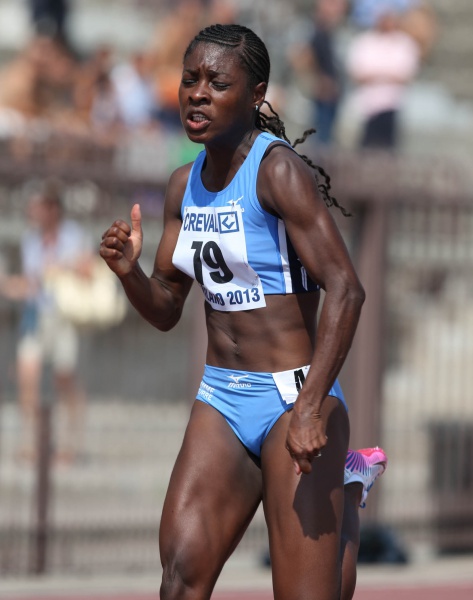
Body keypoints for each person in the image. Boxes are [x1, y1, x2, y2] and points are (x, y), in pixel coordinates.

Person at [100, 24, 386, 600]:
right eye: (189, 80)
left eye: (217, 82)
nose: (197, 94)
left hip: (292, 397)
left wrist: (310, 408)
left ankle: (349, 490)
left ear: (256, 94)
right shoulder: (183, 186)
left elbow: (346, 289)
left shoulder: (276, 171)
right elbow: (166, 306)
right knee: (180, 578)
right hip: (223, 398)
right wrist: (130, 272)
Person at [1, 181, 92, 464]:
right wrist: (11, 287)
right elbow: (33, 283)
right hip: (36, 316)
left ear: (52, 209)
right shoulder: (30, 240)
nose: (33, 212)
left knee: (64, 378)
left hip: (65, 317)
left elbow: (88, 269)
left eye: (38, 207)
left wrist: (60, 268)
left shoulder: (75, 236)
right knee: (27, 377)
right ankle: (31, 443)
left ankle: (69, 444)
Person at [345, 8, 420, 150]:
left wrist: (377, 75)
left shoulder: (404, 43)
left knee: (388, 149)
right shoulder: (364, 42)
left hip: (393, 104)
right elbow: (358, 74)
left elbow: (405, 75)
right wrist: (387, 75)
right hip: (367, 105)